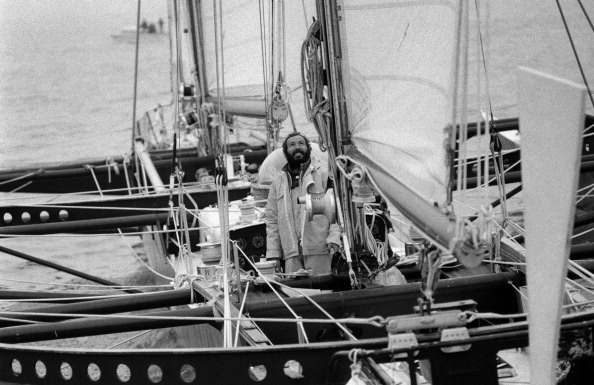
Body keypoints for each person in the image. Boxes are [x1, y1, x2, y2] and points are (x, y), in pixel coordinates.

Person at [265, 133, 341, 275]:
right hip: (291, 254)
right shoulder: (278, 182)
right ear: (286, 151)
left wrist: (334, 238)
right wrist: (274, 254)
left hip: (320, 250)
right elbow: (272, 220)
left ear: (308, 148)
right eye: (292, 145)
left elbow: (337, 210)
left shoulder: (324, 174)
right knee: (295, 294)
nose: (297, 147)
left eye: (301, 143)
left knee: (323, 293)